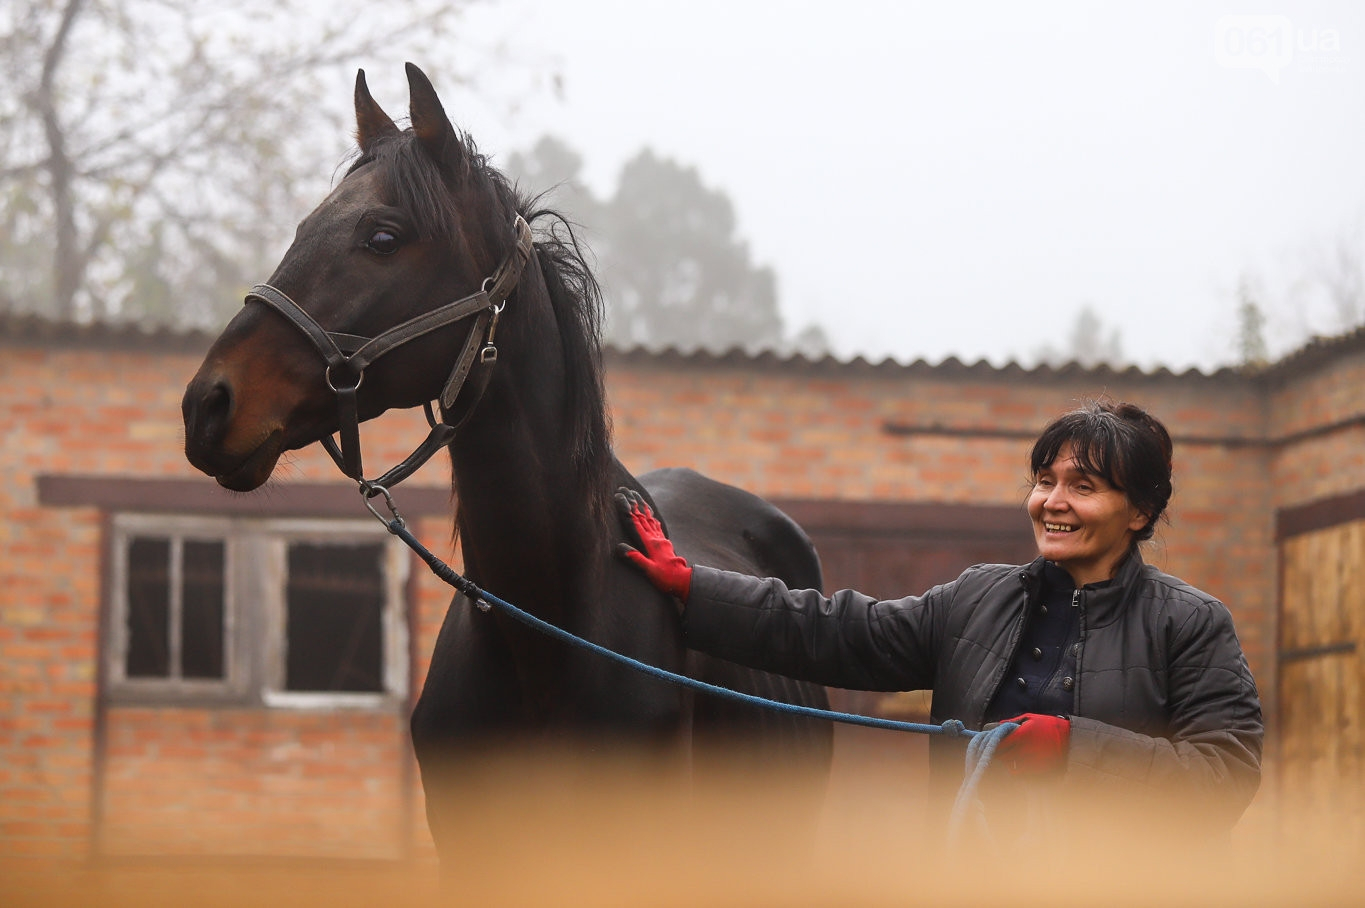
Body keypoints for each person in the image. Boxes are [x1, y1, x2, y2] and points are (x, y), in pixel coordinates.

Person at [615, 399, 1263, 840]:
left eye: (1083, 487)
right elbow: (833, 631)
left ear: (1140, 512)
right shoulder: (977, 600)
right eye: (1043, 480)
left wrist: (1073, 749)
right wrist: (693, 587)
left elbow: (1224, 777)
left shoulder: (1191, 624)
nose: (1052, 502)